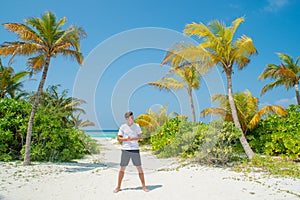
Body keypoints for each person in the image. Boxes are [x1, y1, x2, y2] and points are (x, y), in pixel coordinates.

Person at [113, 111, 149, 193]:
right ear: (127, 119)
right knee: (122, 168)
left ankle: (144, 186)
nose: (133, 118)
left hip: (135, 150)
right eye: (131, 117)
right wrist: (126, 139)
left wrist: (133, 139)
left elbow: (140, 137)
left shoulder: (137, 126)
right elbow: (119, 138)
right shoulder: (123, 127)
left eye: (133, 117)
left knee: (139, 168)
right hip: (125, 149)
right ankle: (118, 186)